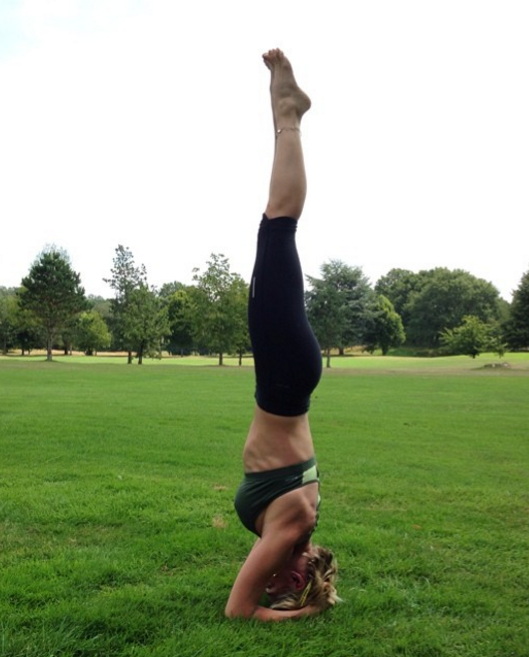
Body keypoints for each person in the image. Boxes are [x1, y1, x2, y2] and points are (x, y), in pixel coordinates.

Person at [225, 48, 339, 621]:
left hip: (286, 381)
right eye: (284, 589)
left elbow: (250, 601)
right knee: (277, 226)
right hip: (285, 379)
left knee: (275, 230)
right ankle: (288, 113)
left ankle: (287, 112)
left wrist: (297, 595)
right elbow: (238, 613)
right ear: (300, 574)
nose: (272, 588)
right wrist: (302, 613)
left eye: (273, 593)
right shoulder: (294, 526)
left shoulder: (293, 530)